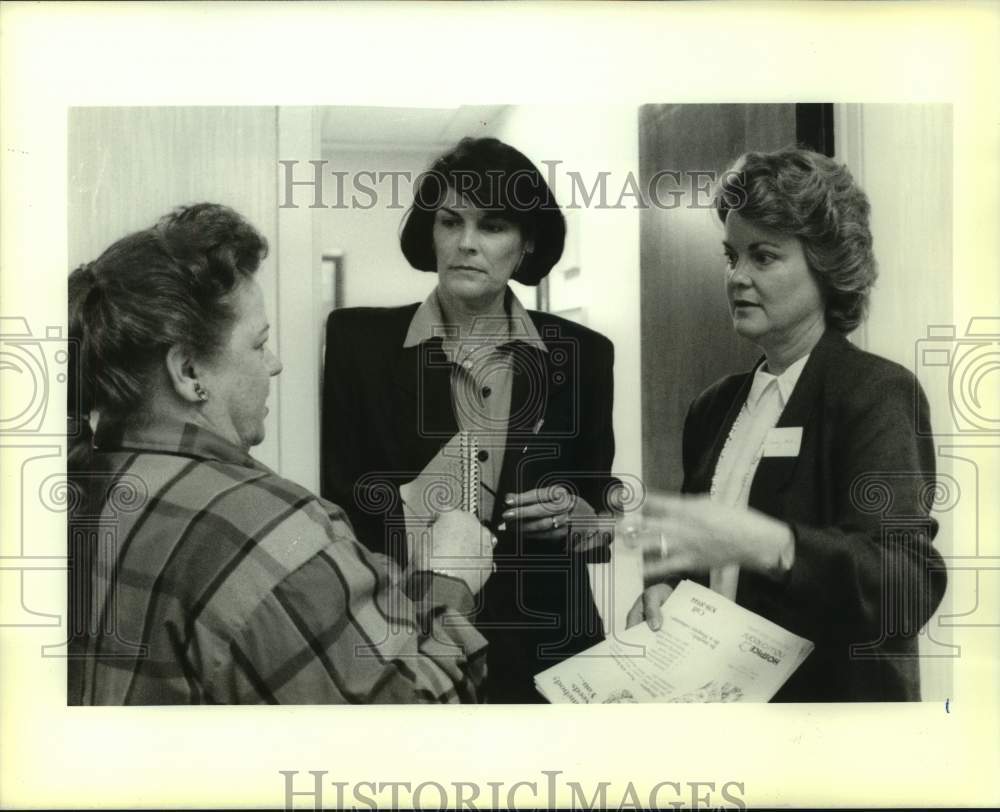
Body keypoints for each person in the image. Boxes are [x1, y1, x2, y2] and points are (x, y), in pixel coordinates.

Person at [67, 202, 494, 705]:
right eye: (258, 344)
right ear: (188, 372)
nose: (274, 365)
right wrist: (450, 582)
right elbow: (404, 738)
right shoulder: (270, 535)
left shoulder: (67, 485)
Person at [627, 147, 947, 701]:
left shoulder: (874, 393)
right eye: (731, 257)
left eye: (764, 257)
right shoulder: (713, 407)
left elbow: (907, 587)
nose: (737, 277)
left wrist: (775, 545)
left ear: (826, 267)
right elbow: (704, 559)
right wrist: (664, 593)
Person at [322, 137, 619, 702]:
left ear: (526, 242)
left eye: (493, 227)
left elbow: (598, 509)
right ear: (429, 234)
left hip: (547, 645)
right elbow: (341, 505)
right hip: (408, 639)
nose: (466, 244)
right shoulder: (356, 342)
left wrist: (585, 517)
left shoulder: (584, 355)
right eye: (450, 222)